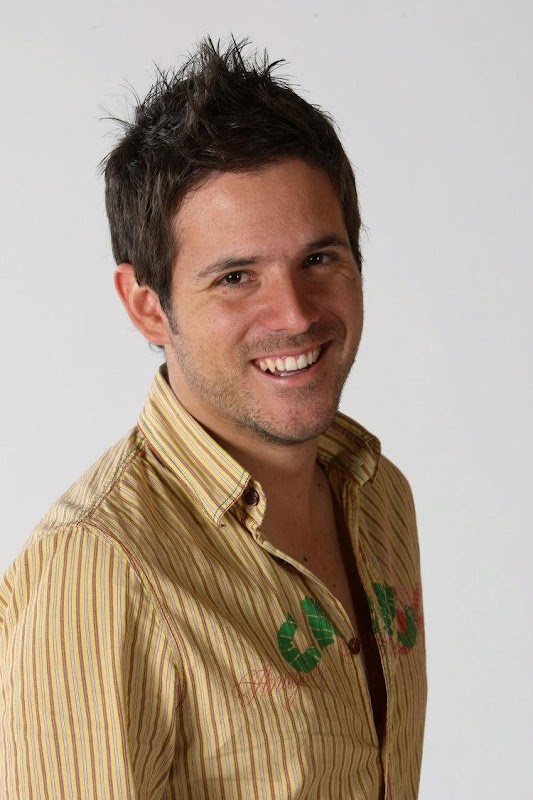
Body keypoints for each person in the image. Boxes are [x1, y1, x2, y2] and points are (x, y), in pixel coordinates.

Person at [0, 39, 426, 799]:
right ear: (146, 305)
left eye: (319, 259)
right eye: (235, 276)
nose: (293, 314)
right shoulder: (100, 568)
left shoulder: (380, 496)